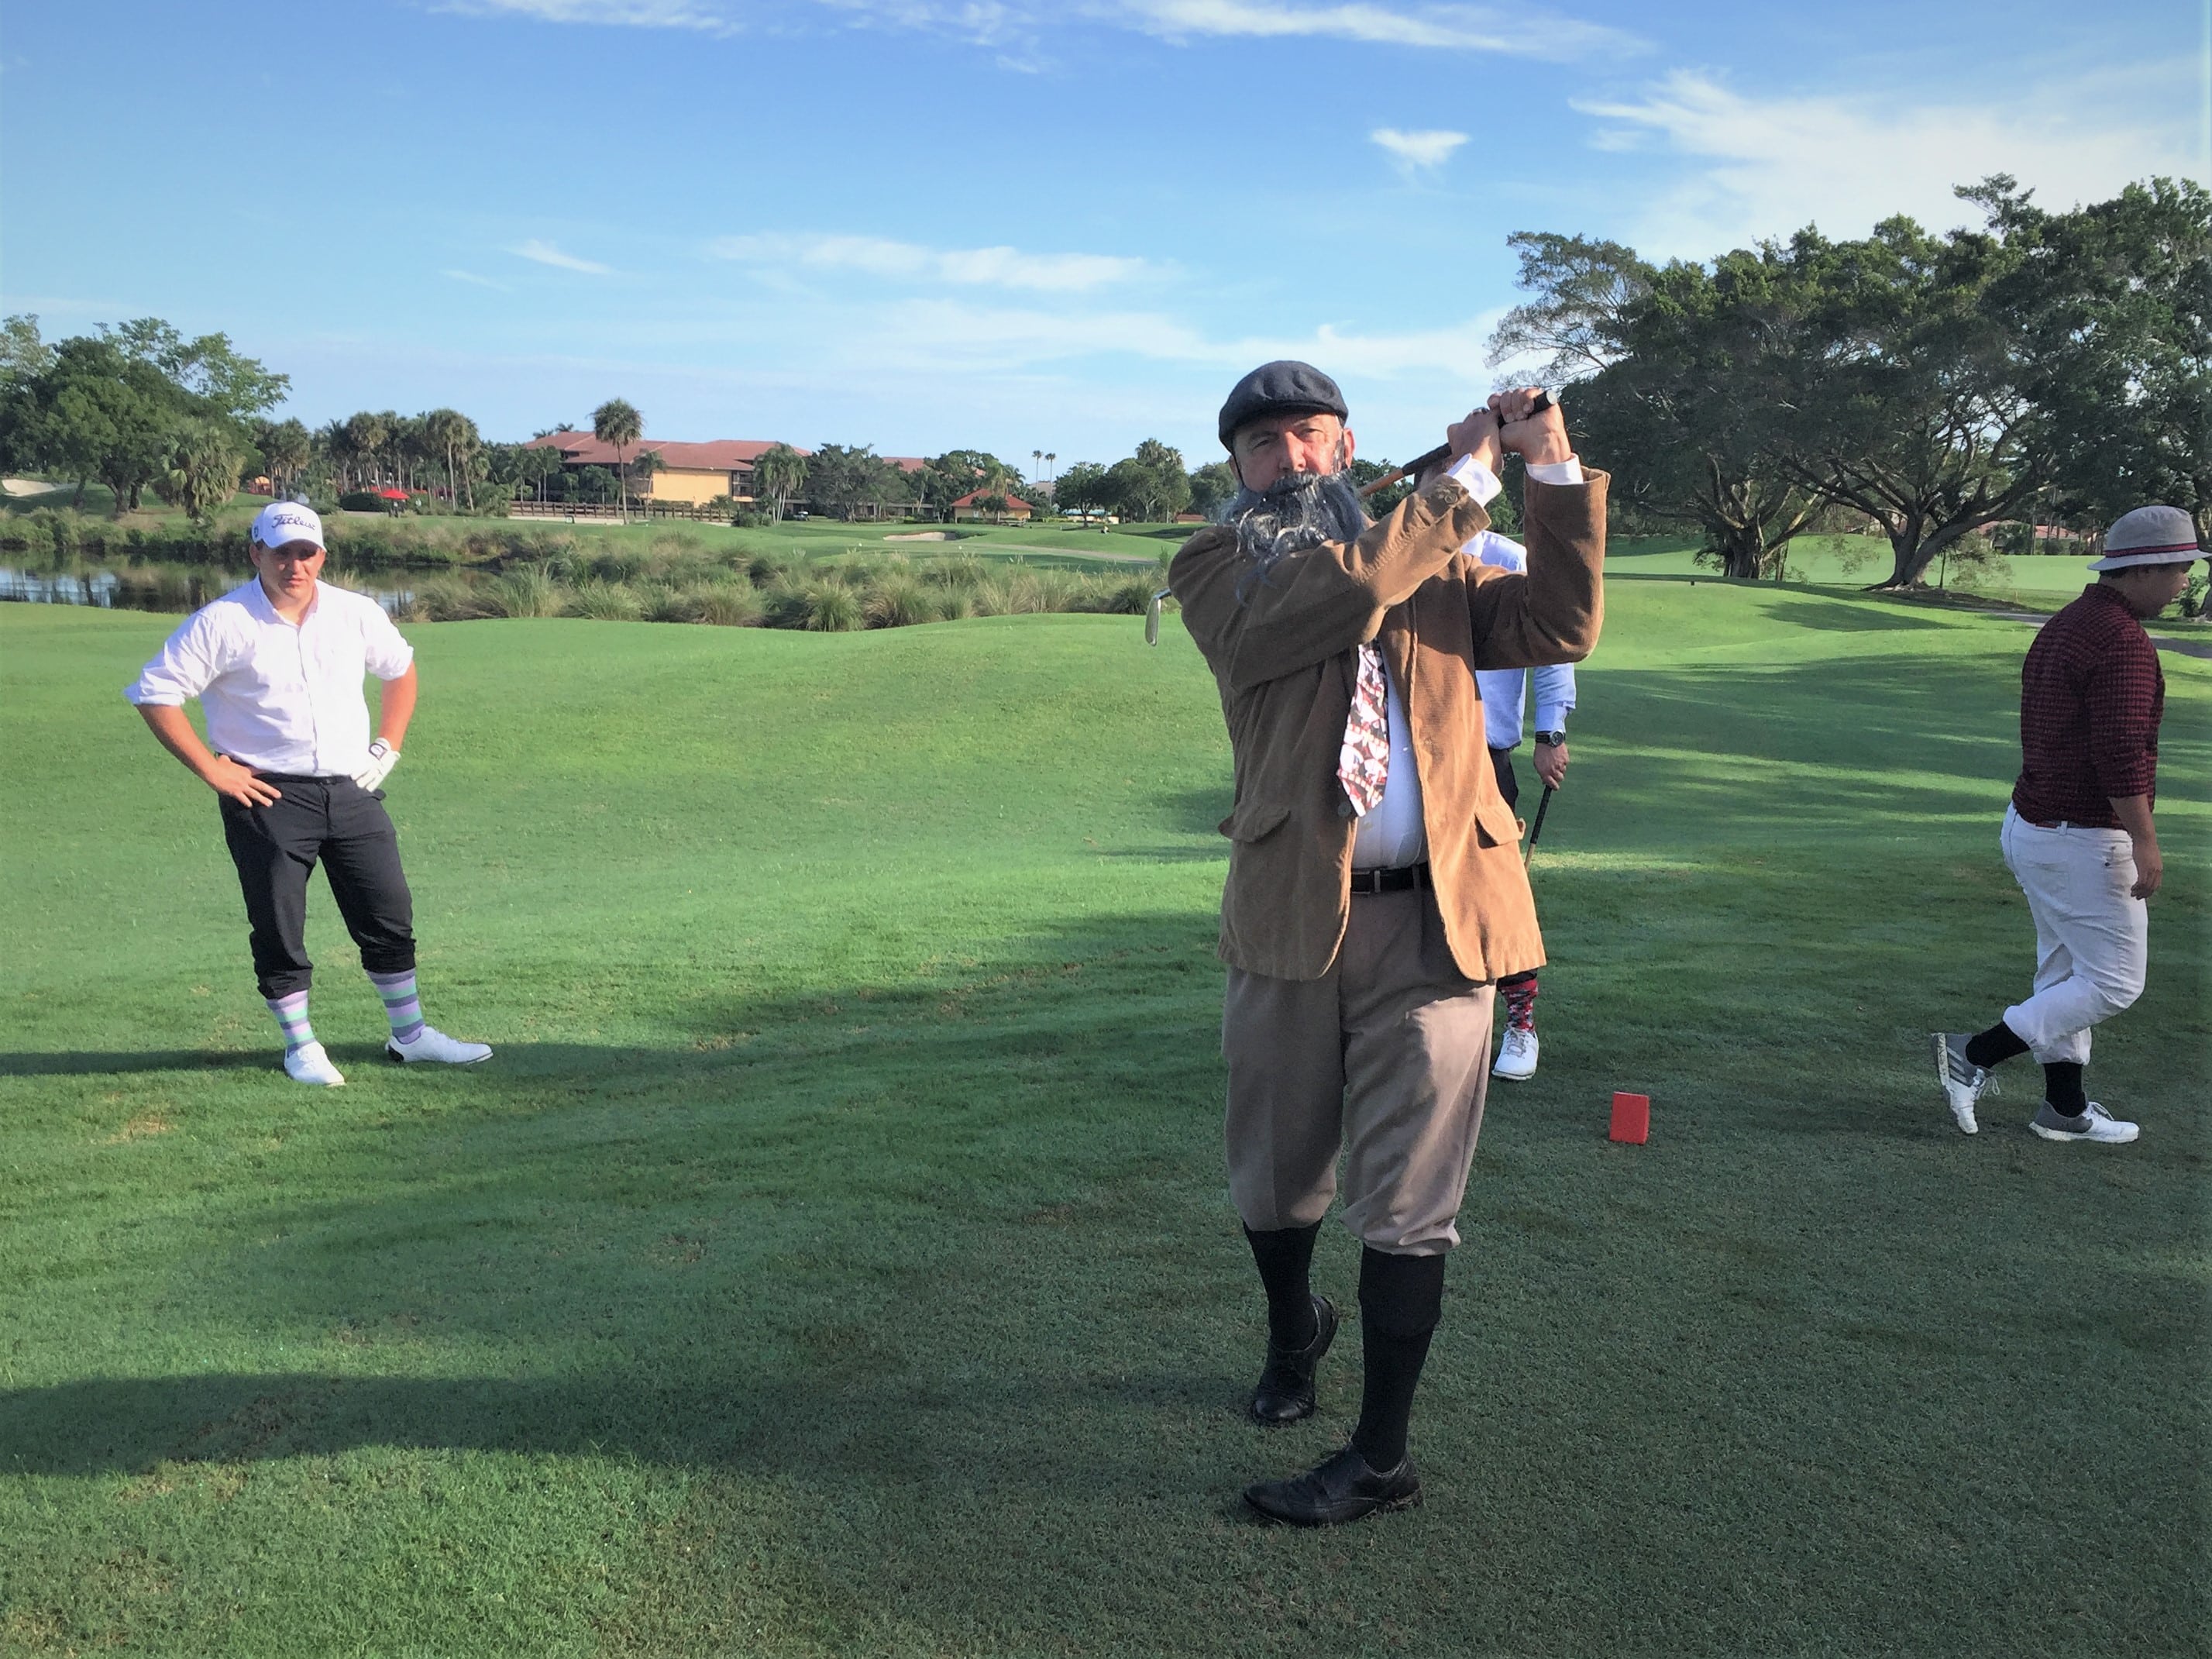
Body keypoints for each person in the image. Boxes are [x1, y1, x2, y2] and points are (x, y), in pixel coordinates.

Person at [1169, 361, 1605, 1525]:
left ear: (1348, 445)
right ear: (1235, 468)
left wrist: (1546, 464)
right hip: (1290, 915)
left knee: (1409, 1198)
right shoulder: (1217, 571)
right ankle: (1289, 1328)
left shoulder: (1438, 563)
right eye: (1263, 445)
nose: (1289, 458)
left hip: (1437, 921)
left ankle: (1379, 1454)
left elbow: (1562, 620)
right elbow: (1335, 599)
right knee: (1273, 1170)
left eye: (1309, 436)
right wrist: (1466, 472)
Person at [126, 501, 491, 1086]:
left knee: (388, 911)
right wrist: (213, 771)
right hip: (266, 793)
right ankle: (301, 1047)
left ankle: (411, 1036)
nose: (293, 565)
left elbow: (400, 668)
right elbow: (154, 692)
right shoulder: (223, 621)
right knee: (278, 923)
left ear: (321, 555)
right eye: (280, 552)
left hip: (351, 788)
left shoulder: (355, 612)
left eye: (305, 553)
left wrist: (387, 745)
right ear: (256, 553)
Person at [1933, 504, 2202, 1144]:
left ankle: (2063, 1108)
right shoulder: (2124, 643)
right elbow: (2119, 750)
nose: (2184, 584)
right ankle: (1972, 1052)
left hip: (2033, 825)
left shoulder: (2068, 624)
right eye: (2181, 571)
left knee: (2062, 973)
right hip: (2080, 835)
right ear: (2145, 568)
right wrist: (2144, 838)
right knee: (2113, 982)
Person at [1471, 529, 1576, 1081]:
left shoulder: (1506, 558)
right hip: (1410, 755)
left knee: (1498, 894)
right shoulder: (1402, 548)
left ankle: (1520, 1025)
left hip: (1486, 755)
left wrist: (1550, 733)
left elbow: (1554, 645)